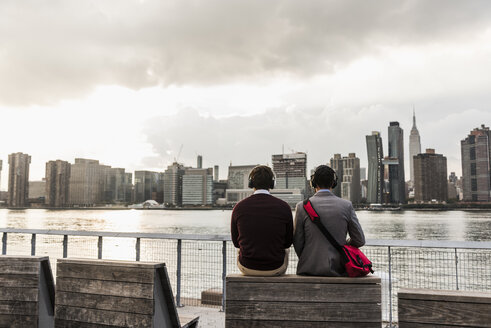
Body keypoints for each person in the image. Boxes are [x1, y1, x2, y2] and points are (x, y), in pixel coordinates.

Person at [293, 165, 365, 276]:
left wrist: (309, 257)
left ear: (313, 183)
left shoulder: (301, 207)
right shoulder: (346, 206)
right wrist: (344, 244)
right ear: (333, 183)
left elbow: (297, 242)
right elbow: (359, 240)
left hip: (308, 270)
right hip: (338, 269)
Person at [231, 165, 293, 276]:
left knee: (240, 250)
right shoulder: (284, 207)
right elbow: (288, 242)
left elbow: (236, 243)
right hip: (275, 268)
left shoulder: (239, 207)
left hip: (247, 267)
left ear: (251, 183)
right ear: (272, 184)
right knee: (286, 251)